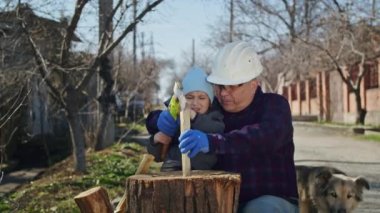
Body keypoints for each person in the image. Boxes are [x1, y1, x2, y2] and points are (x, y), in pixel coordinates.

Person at [146, 41, 299, 212]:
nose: (224, 93)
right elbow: (169, 112)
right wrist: (162, 119)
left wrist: (213, 141)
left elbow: (263, 137)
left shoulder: (274, 105)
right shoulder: (215, 107)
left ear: (253, 84)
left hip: (271, 200)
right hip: (221, 200)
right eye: (219, 86)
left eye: (232, 87)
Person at [146, 67, 224, 171]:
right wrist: (155, 140)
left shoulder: (215, 117)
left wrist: (194, 117)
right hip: (171, 173)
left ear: (210, 102)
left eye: (202, 98)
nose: (195, 103)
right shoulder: (175, 119)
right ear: (182, 99)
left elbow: (216, 129)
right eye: (189, 97)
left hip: (203, 176)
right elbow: (157, 156)